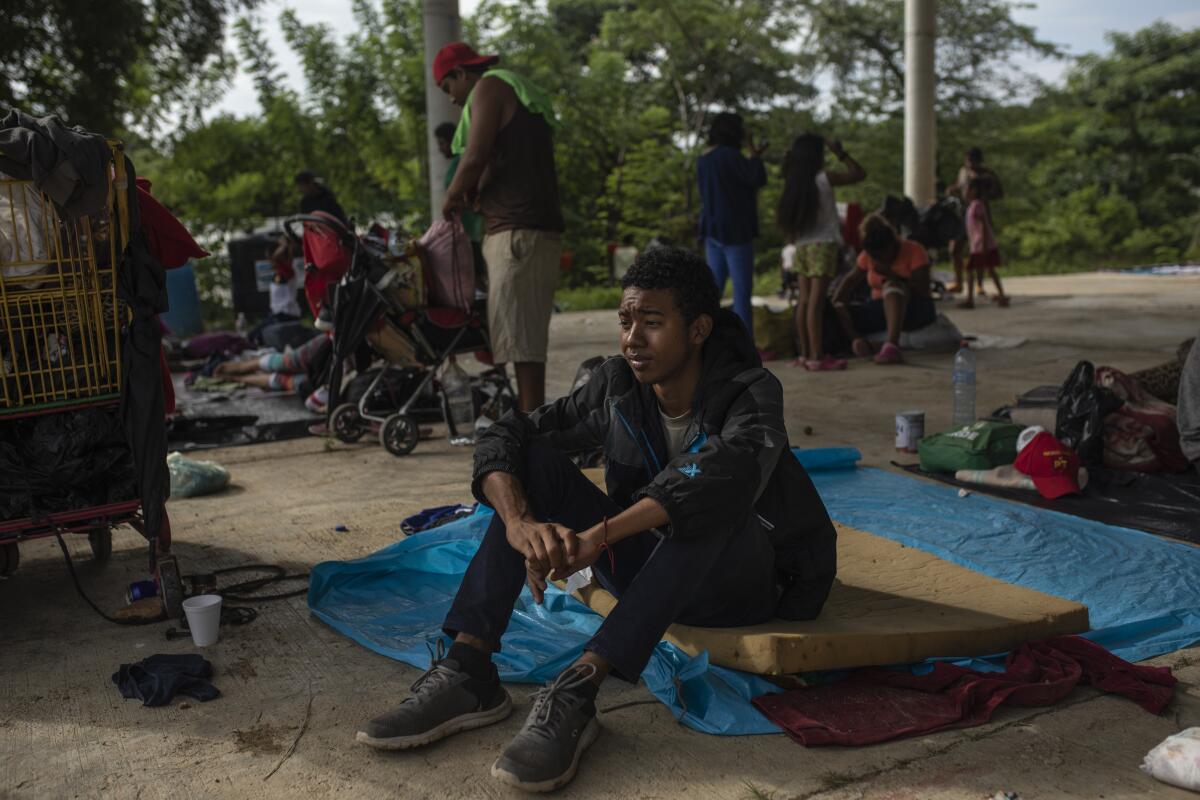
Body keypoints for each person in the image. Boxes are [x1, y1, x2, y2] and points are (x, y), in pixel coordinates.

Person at [355, 246, 837, 792]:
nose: (633, 338)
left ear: (699, 328)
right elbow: (506, 435)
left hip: (746, 582)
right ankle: (469, 669)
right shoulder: (615, 388)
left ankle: (578, 689)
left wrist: (599, 536)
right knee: (532, 461)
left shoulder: (751, 392)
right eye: (626, 321)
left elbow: (725, 474)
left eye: (652, 323)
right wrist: (519, 524)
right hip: (652, 567)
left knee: (711, 497)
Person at [435, 42, 565, 413]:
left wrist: (452, 197)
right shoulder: (511, 92)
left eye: (448, 87)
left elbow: (474, 156)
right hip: (522, 230)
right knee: (518, 337)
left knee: (522, 341)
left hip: (519, 233)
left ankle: (530, 424)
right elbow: (495, 160)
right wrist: (477, 192)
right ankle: (529, 419)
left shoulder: (489, 87)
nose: (451, 99)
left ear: (462, 73)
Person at [776, 134, 866, 371]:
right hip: (823, 245)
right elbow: (859, 174)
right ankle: (817, 356)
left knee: (804, 302)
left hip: (802, 247)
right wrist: (841, 153)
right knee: (816, 302)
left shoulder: (794, 182)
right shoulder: (824, 178)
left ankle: (805, 354)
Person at [697, 112, 767, 332]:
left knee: (712, 293)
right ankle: (744, 347)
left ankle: (708, 342)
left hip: (712, 230)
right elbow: (756, 178)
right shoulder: (731, 156)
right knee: (742, 293)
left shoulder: (704, 159)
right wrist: (754, 154)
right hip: (736, 232)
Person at [832, 214, 932, 365]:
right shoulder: (867, 256)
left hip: (912, 307)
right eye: (875, 257)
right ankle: (859, 342)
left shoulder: (914, 250)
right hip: (878, 308)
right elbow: (850, 280)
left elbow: (923, 288)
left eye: (883, 256)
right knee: (840, 308)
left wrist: (892, 275)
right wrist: (834, 302)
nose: (879, 260)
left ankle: (892, 345)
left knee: (891, 286)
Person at [435, 121, 487, 289]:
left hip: (471, 232)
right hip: (464, 232)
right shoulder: (456, 163)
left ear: (452, 140)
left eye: (442, 143)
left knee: (476, 280)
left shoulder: (463, 162)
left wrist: (456, 201)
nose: (440, 148)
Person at [945, 147, 1003, 294]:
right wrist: (954, 189)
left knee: (979, 251)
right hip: (963, 214)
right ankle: (959, 281)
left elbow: (999, 193)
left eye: (973, 160)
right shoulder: (963, 172)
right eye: (968, 160)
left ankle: (979, 284)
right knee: (955, 248)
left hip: (979, 216)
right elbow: (960, 187)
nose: (970, 163)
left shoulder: (987, 175)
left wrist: (983, 192)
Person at [960, 177, 1009, 309]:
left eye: (966, 189)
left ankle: (970, 300)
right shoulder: (972, 206)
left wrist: (983, 244)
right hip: (978, 245)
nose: (964, 192)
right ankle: (1001, 296)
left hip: (982, 245)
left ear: (974, 191)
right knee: (989, 270)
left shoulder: (977, 205)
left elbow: (982, 226)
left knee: (971, 269)